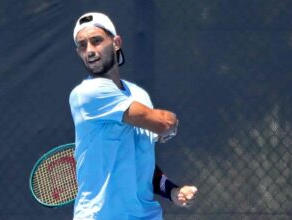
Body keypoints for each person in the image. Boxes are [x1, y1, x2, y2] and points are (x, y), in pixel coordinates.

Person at [69, 12, 197, 219]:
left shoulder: (140, 95)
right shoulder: (87, 94)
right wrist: (168, 125)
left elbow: (142, 162)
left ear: (116, 42)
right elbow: (164, 123)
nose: (90, 51)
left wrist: (172, 191)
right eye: (83, 45)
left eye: (96, 41)